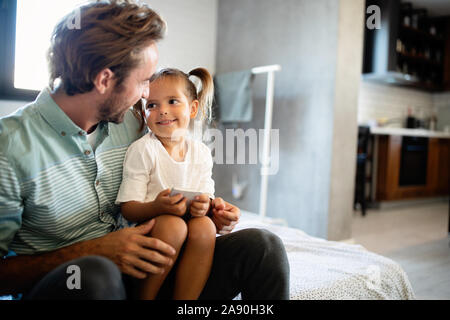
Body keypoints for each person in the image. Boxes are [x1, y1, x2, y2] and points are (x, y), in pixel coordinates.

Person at [0, 0, 290, 300]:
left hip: (150, 270)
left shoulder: (136, 121)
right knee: (95, 276)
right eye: (143, 83)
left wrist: (206, 211)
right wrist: (93, 251)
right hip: (76, 286)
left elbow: (174, 176)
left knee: (263, 247)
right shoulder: (9, 147)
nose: (146, 96)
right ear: (104, 80)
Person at [116, 67, 217, 300]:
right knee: (174, 225)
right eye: (151, 105)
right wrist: (157, 207)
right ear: (144, 112)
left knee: (205, 227)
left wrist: (206, 206)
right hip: (150, 232)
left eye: (172, 101)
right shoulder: (143, 150)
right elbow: (128, 208)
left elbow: (206, 196)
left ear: (192, 109)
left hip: (186, 232)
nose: (162, 111)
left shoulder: (200, 152)